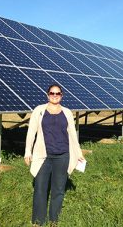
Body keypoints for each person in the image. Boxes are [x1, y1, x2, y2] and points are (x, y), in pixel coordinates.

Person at [24, 84, 85, 226]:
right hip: (43, 156)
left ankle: (54, 220)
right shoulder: (39, 111)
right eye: (52, 93)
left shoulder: (67, 112)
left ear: (62, 95)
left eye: (58, 93)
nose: (55, 95)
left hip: (63, 155)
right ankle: (38, 221)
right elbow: (31, 131)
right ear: (47, 95)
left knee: (58, 189)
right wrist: (28, 151)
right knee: (40, 188)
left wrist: (78, 153)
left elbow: (72, 134)